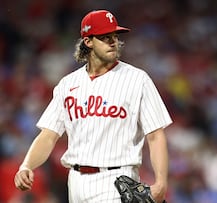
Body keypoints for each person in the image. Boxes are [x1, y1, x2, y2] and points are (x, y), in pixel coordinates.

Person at [14, 9, 172, 203]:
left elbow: (156, 135)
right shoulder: (67, 84)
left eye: (114, 36)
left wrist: (161, 182)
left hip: (117, 181)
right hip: (76, 181)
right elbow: (48, 135)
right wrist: (26, 166)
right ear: (88, 42)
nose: (113, 42)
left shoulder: (137, 79)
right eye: (105, 37)